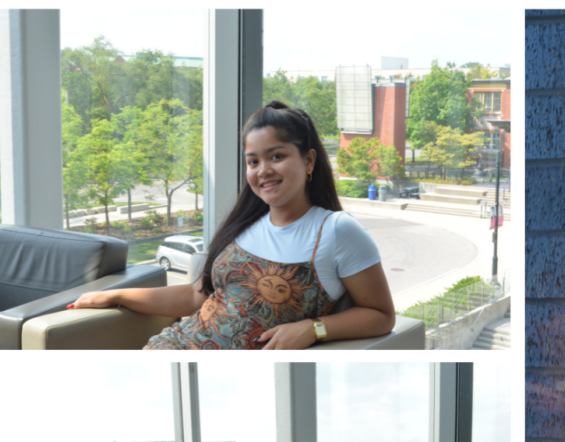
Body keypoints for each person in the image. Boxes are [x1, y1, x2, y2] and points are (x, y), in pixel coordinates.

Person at [68, 101, 395, 349]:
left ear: (308, 160)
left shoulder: (336, 230)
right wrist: (117, 296)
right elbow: (197, 298)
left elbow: (381, 316)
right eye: (253, 161)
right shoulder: (244, 225)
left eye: (276, 156)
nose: (262, 170)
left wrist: (313, 328)